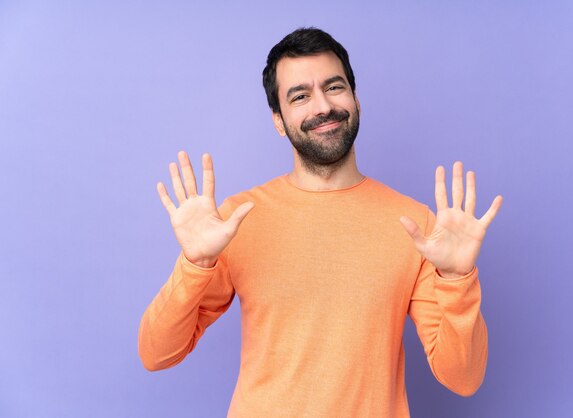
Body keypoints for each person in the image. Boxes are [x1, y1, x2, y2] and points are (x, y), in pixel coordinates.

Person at [138, 27, 502, 417]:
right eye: (300, 96)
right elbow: (156, 354)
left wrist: (457, 280)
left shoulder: (415, 225)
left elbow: (463, 379)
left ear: (356, 100)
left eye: (334, 87)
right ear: (279, 120)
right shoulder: (235, 221)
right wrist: (195, 265)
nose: (323, 106)